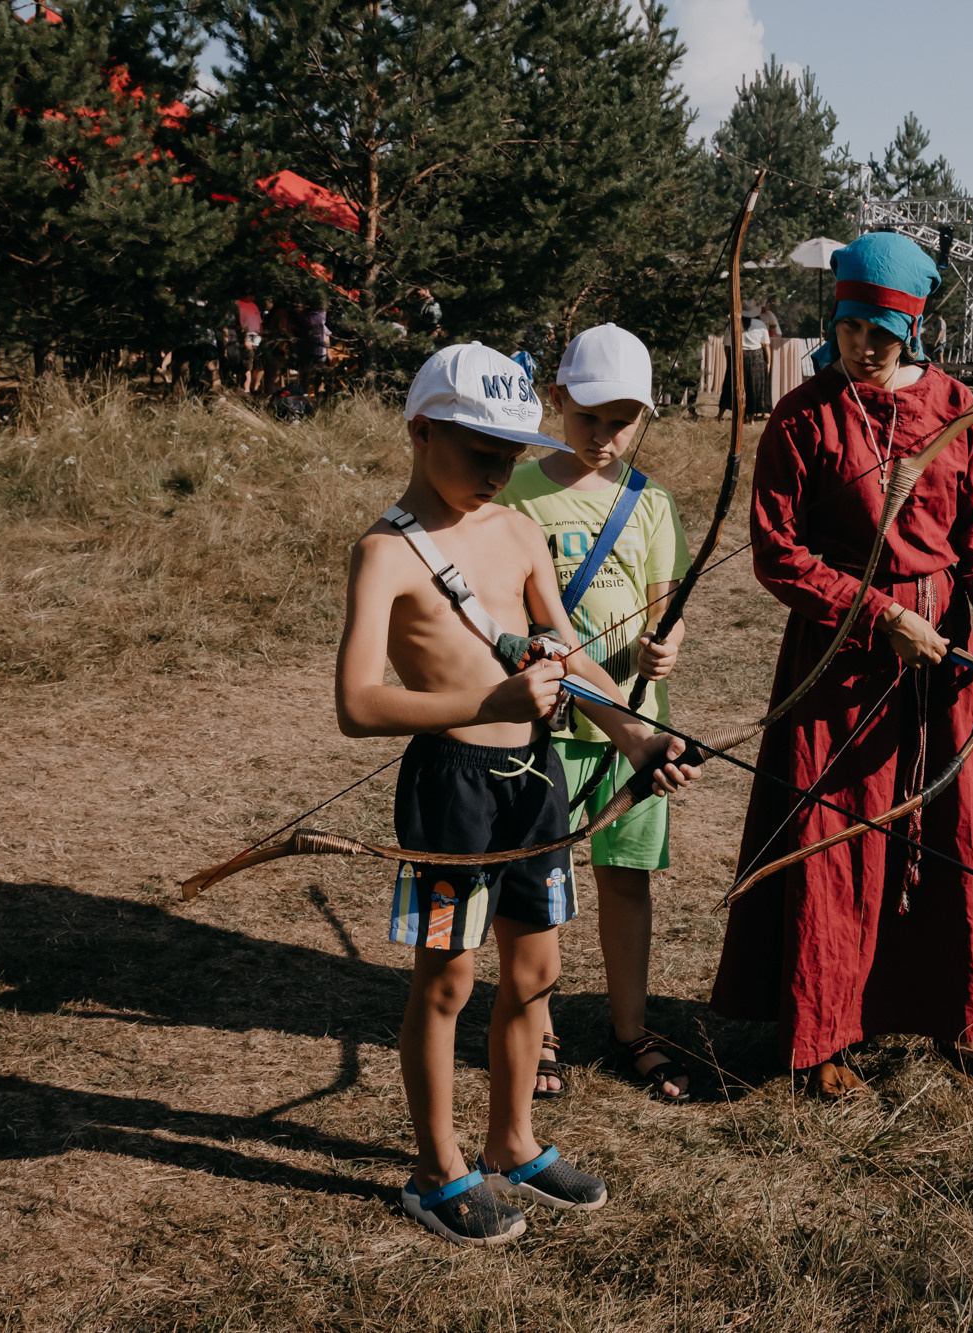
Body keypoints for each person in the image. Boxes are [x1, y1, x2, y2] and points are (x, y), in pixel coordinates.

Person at [337, 342, 700, 1244]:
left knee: (537, 972)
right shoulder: (385, 552)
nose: (498, 471)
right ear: (421, 432)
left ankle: (513, 1141)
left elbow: (564, 652)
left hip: (535, 778)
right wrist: (486, 703)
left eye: (510, 453)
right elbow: (357, 702)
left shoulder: (517, 529)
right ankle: (436, 1170)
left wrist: (638, 734)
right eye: (479, 451)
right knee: (449, 981)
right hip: (450, 787)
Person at [710, 231, 973, 1099]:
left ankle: (960, 1023)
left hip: (945, 661)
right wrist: (878, 615)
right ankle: (821, 1036)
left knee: (950, 835)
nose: (862, 346)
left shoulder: (954, 407)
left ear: (914, 328)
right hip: (841, 660)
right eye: (850, 326)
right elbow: (778, 552)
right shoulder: (803, 415)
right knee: (837, 838)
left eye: (883, 333)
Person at [500, 323, 696, 1104]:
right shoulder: (516, 491)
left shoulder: (652, 502)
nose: (603, 436)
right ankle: (539, 1026)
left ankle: (630, 1027)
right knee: (540, 877)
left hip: (636, 725)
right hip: (545, 721)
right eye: (587, 417)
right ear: (556, 399)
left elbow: (665, 606)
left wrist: (665, 647)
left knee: (626, 876)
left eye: (622, 421)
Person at [719, 301, 772, 421]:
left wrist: (729, 360)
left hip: (738, 356)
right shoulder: (760, 324)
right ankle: (751, 417)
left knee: (730, 386)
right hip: (756, 359)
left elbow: (726, 346)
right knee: (754, 387)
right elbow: (766, 346)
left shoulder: (733, 324)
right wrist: (768, 362)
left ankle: (720, 414)